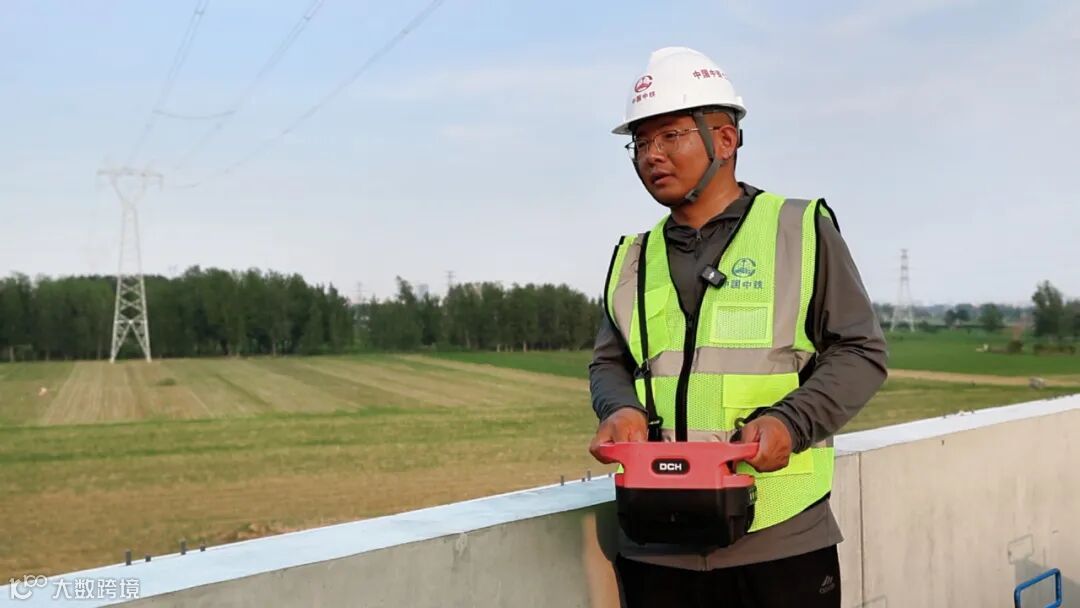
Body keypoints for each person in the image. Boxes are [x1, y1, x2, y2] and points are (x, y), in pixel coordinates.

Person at [588, 46, 888, 607]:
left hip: (779, 539)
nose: (652, 155)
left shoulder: (799, 230)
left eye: (670, 135)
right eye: (641, 143)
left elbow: (860, 350)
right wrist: (619, 409)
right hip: (655, 541)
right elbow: (609, 362)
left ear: (725, 140)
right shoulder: (634, 258)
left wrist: (790, 422)